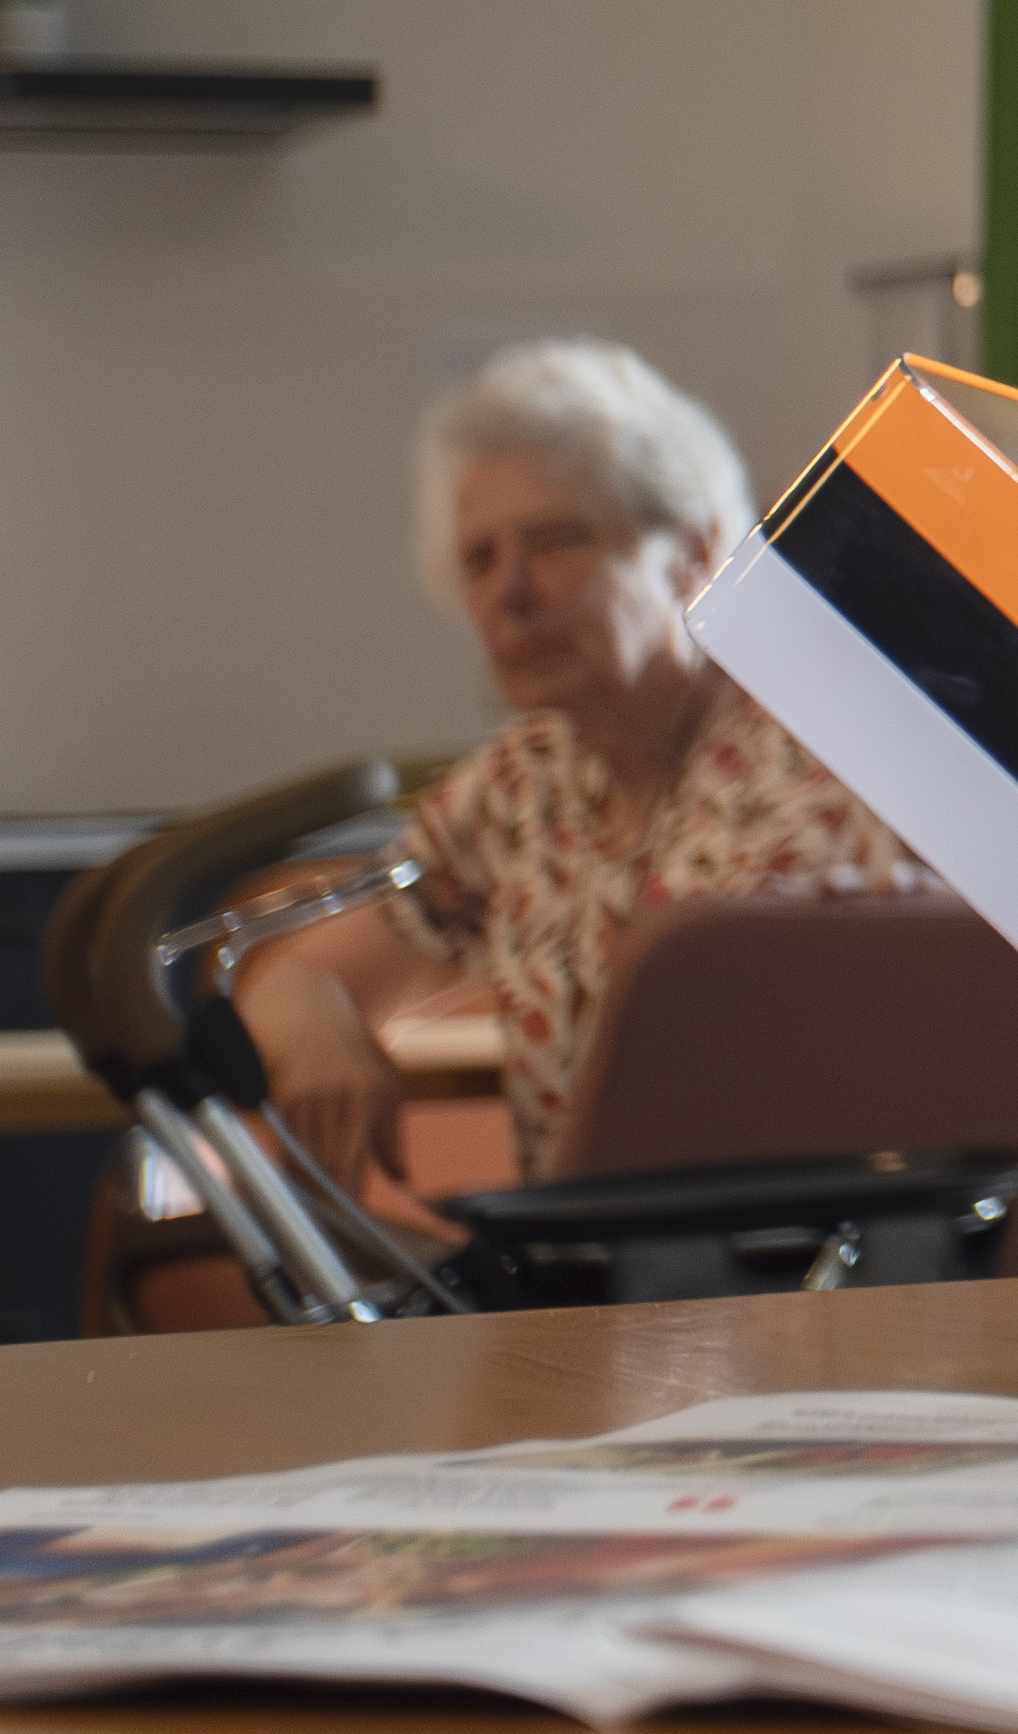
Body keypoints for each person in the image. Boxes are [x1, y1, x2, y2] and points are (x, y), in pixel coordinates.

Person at [243, 341, 921, 1192]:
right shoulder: (517, 786)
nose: (510, 593)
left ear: (696, 549)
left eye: (556, 540)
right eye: (479, 560)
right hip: (581, 1261)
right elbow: (291, 977)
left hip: (834, 1249)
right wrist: (320, 1029)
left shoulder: (846, 747)